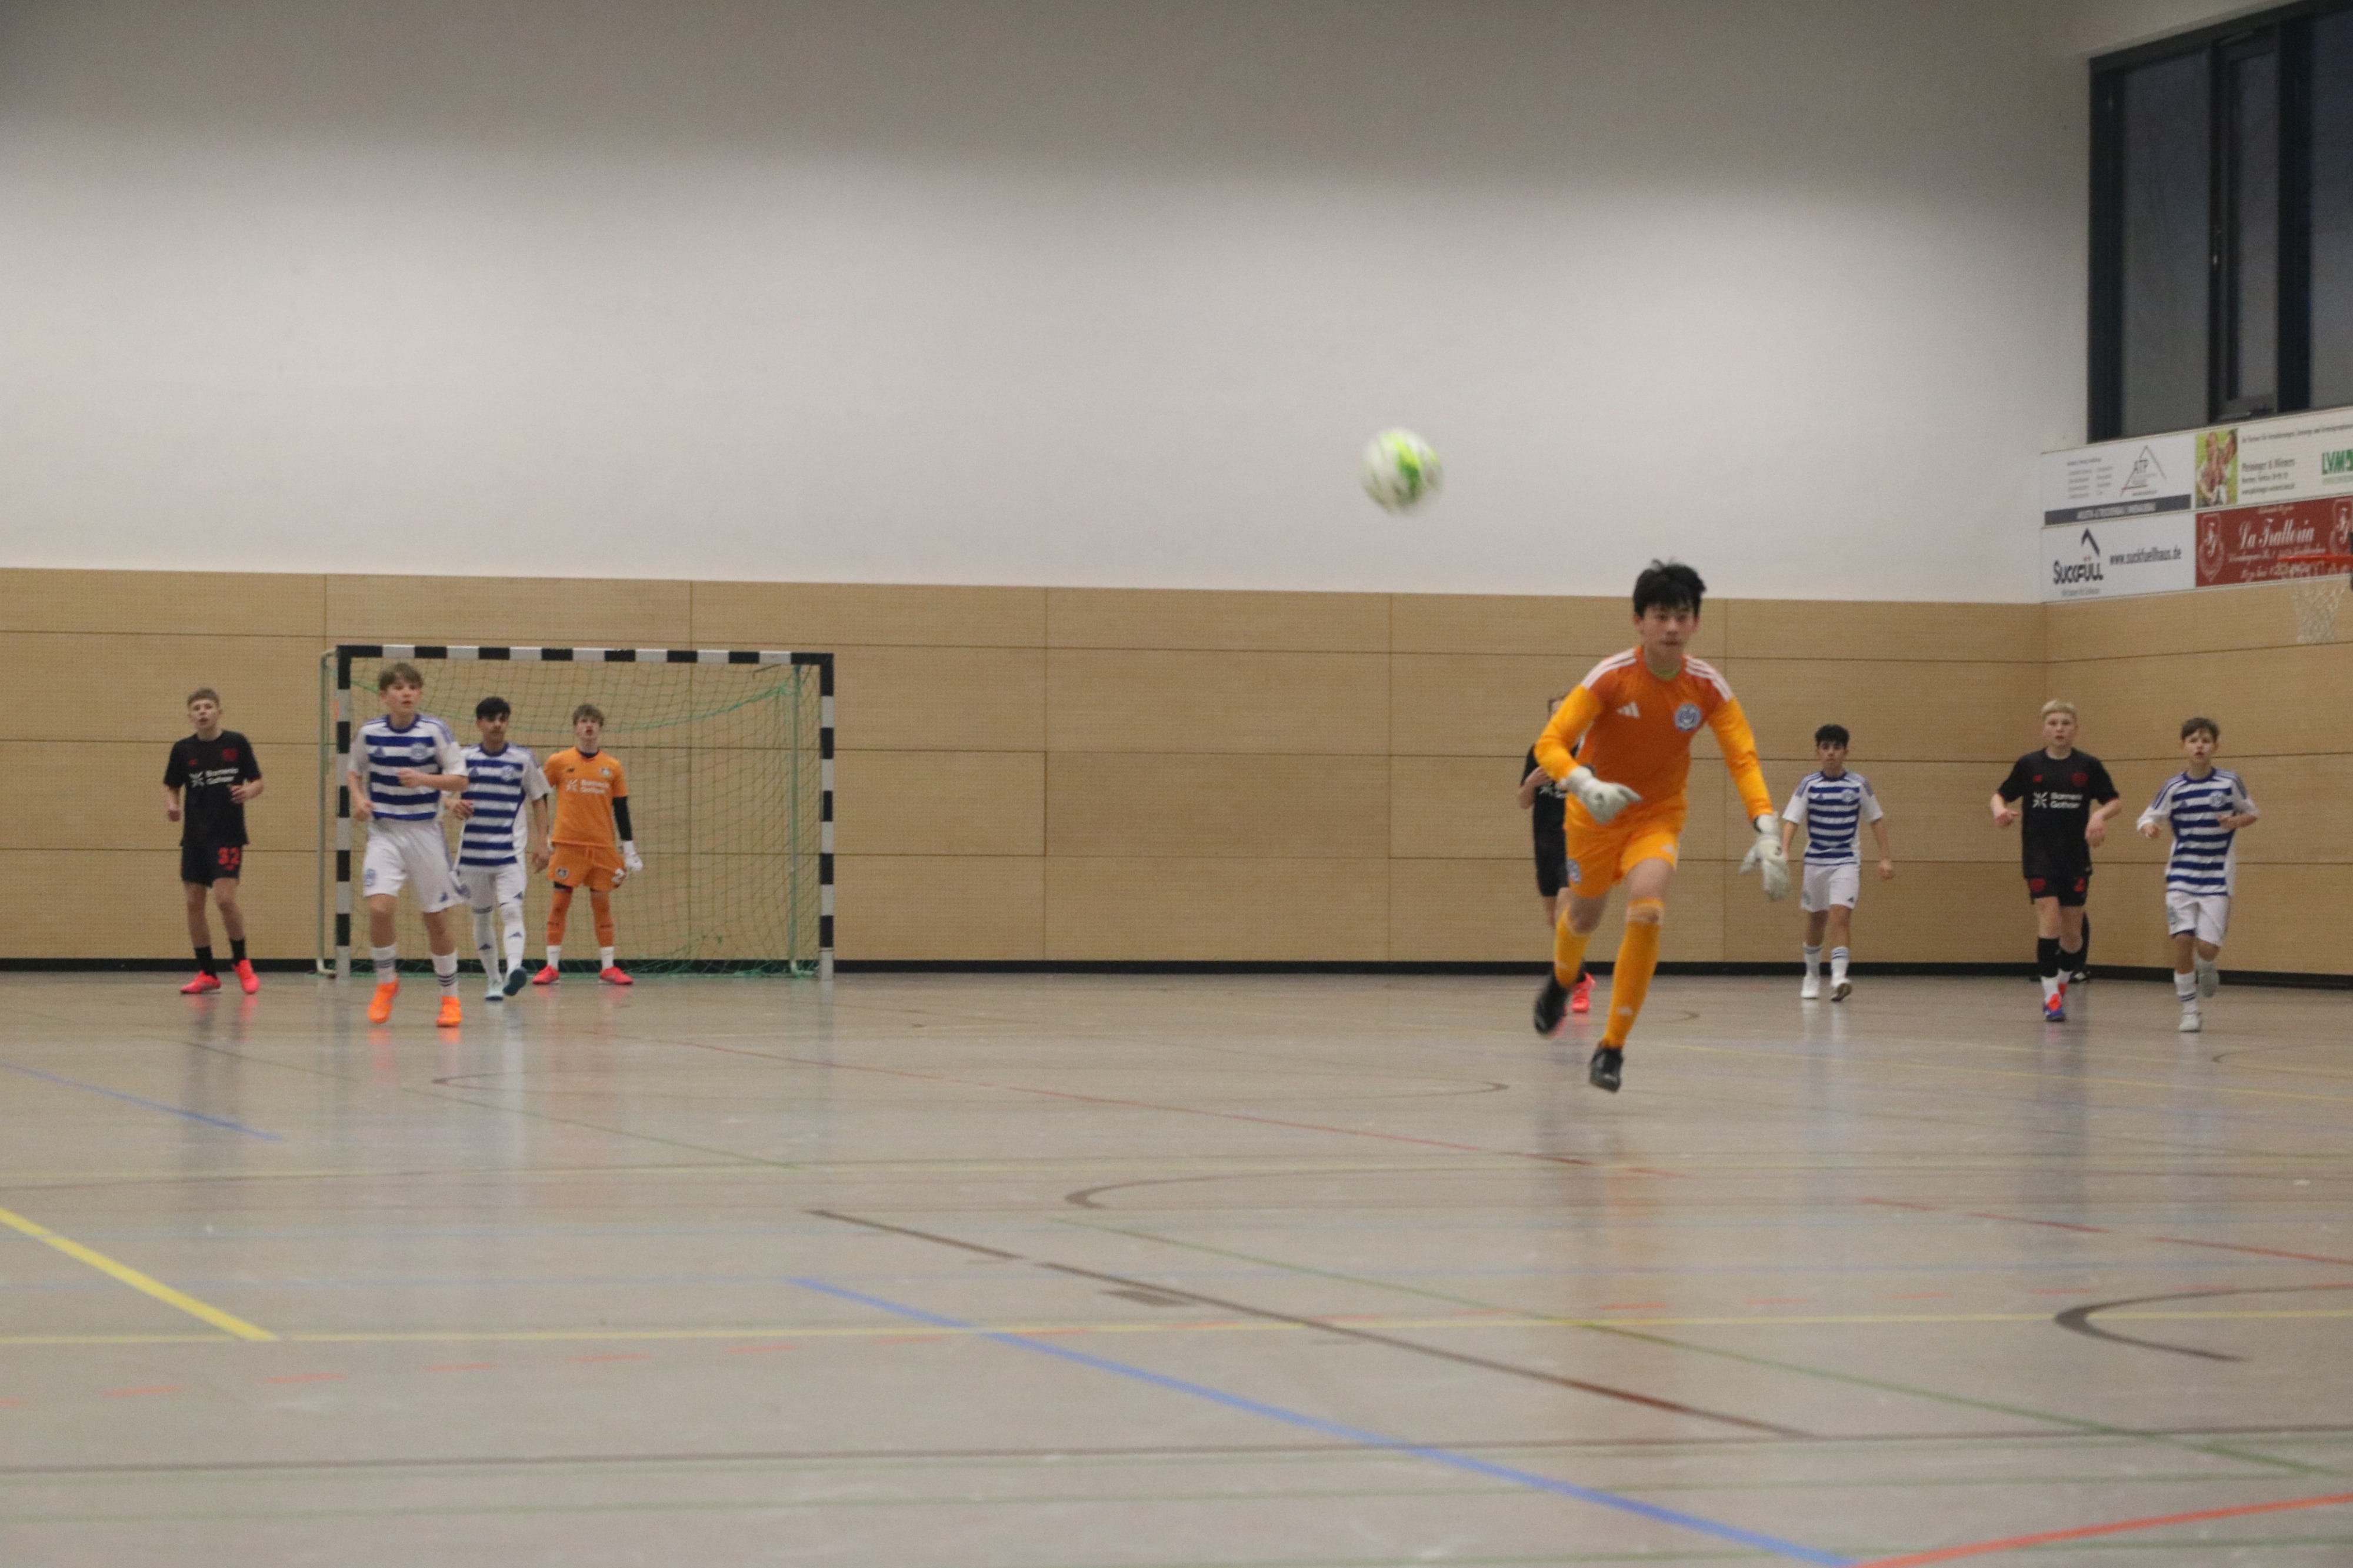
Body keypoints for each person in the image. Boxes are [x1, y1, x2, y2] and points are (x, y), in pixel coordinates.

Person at [1530, 561, 1788, 1092]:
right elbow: (1549, 744)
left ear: (1695, 623)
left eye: (1682, 616)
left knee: (1647, 910)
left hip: (1657, 816)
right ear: (1638, 621)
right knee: (1583, 915)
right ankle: (1560, 981)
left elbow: (1743, 757)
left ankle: (1612, 1048)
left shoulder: (1707, 687)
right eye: (1661, 616)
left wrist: (1765, 826)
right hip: (1595, 816)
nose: (1672, 627)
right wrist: (1583, 784)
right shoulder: (1610, 676)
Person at [348, 662, 471, 1027]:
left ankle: (450, 997)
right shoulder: (369, 733)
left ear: (419, 694)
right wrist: (358, 799)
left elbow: (460, 780)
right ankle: (386, 984)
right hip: (384, 832)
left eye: (413, 687)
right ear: (384, 696)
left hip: (424, 833)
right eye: (399, 688)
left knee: (435, 919)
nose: (406, 693)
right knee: (380, 910)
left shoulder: (435, 731)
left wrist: (423, 779)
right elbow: (354, 771)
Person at [1991, 700, 2121, 1023]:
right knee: (2049, 920)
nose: (2059, 729)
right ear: (2043, 729)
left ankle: (2060, 985)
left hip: (2075, 857)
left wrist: (2099, 817)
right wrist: (2000, 811)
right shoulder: (2029, 764)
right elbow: (1999, 795)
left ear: (2075, 729)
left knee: (2072, 935)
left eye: (2065, 723)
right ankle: (2050, 996)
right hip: (2039, 855)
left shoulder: (2089, 766)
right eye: (2053, 723)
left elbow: (2114, 801)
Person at [2137, 718, 2259, 1033]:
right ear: (2184, 747)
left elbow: (2251, 813)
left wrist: (2236, 822)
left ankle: (2207, 964)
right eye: (2193, 740)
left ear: (2215, 746)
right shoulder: (2174, 787)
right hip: (2181, 874)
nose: (2199, 745)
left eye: (2205, 740)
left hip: (2217, 876)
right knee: (2182, 940)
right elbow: (2149, 816)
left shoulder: (2230, 782)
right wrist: (2149, 827)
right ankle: (2190, 1010)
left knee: (2206, 948)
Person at [1779, 724, 1894, 1002]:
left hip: (1846, 861)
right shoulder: (1808, 785)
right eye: (1826, 747)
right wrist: (1784, 850)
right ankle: (1812, 975)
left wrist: (1885, 858)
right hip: (1815, 862)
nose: (1831, 753)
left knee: (1840, 917)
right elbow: (1792, 819)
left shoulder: (1858, 785)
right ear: (1818, 752)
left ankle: (1840, 977)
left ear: (1846, 752)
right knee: (1816, 920)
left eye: (1837, 748)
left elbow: (1876, 819)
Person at [162, 688, 264, 996]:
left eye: (208, 707)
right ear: (190, 716)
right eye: (197, 708)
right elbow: (171, 785)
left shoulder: (236, 743)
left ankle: (241, 962)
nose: (203, 712)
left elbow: (258, 781)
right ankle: (207, 973)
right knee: (194, 902)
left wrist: (250, 791)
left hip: (227, 833)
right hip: (194, 836)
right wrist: (172, 804)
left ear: (219, 712)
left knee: (225, 899)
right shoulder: (182, 749)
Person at [533, 703, 644, 986]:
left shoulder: (613, 767)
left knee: (602, 904)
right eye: (583, 721)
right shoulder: (559, 761)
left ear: (600, 728)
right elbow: (538, 795)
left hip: (602, 847)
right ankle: (551, 966)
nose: (589, 726)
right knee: (559, 903)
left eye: (594, 722)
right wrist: (544, 837)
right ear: (575, 727)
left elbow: (621, 810)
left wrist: (629, 850)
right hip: (567, 846)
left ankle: (608, 967)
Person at [451, 696, 552, 1002]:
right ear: (480, 723)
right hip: (473, 854)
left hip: (509, 854)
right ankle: (494, 980)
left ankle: (515, 970)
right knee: (482, 916)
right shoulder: (463, 758)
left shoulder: (522, 759)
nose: (498, 724)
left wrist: (542, 842)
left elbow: (539, 798)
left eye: (503, 719)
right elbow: (442, 792)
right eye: (492, 719)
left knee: (511, 909)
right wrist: (453, 804)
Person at [1518, 696, 1591, 1016]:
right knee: (1554, 921)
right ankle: (1581, 977)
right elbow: (1523, 802)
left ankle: (1570, 987)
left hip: (1576, 844)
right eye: (1556, 713)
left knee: (1566, 915)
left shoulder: (1590, 753)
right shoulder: (1539, 752)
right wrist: (1532, 783)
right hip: (1544, 844)